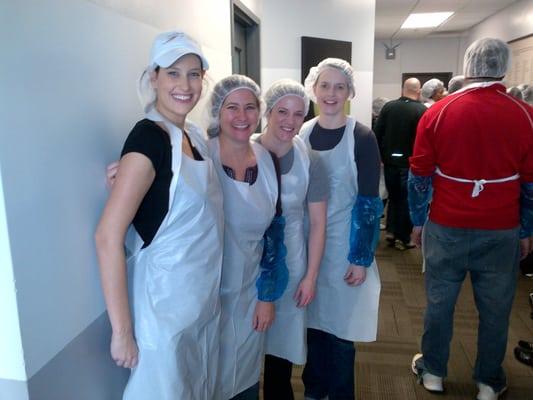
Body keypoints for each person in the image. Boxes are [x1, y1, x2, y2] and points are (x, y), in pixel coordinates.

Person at [95, 31, 224, 399]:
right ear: (153, 78)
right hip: (161, 318)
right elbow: (106, 237)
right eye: (173, 72)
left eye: (194, 74)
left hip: (199, 309)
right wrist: (122, 333)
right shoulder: (147, 139)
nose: (185, 85)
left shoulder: (194, 138)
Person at [409, 38, 533, 400]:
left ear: (469, 64)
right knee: (496, 310)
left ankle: (432, 371)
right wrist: (526, 229)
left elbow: (419, 175)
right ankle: (488, 383)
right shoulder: (525, 113)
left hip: (446, 225)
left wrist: (418, 222)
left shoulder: (439, 111)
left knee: (439, 304)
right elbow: (530, 183)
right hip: (501, 228)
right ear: (503, 67)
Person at [299, 58, 382, 400]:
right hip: (308, 244)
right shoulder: (303, 132)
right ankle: (314, 391)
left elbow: (368, 202)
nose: (331, 94)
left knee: (340, 333)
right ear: (313, 89)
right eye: (325, 86)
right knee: (312, 327)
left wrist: (360, 257)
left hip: (345, 248)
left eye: (340, 86)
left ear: (350, 91)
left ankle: (340, 394)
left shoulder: (360, 136)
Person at [206, 74, 288, 400]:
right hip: (206, 292)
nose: (242, 117)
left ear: (260, 112)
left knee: (245, 376)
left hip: (251, 291)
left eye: (250, 108)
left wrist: (267, 296)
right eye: (232, 107)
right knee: (208, 373)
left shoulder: (267, 159)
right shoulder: (199, 155)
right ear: (218, 111)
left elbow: (275, 233)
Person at [254, 80, 328, 400]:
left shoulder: (311, 159)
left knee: (280, 352)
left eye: (298, 114)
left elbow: (318, 223)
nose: (289, 121)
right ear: (268, 112)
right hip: (246, 262)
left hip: (291, 263)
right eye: (282, 111)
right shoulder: (242, 149)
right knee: (241, 346)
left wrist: (310, 277)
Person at [374, 78, 426, 250]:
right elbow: (423, 140)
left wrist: (380, 156)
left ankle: (390, 231)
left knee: (393, 197)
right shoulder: (420, 110)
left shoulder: (389, 107)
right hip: (409, 163)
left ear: (403, 89)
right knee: (406, 199)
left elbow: (378, 132)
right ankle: (403, 237)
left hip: (389, 161)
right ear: (418, 91)